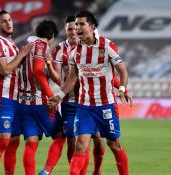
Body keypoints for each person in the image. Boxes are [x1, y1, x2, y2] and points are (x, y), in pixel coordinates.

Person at [48, 11, 132, 175]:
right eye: (76, 25)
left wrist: (122, 89)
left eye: (81, 24)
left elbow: (123, 71)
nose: (77, 28)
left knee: (114, 145)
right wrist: (58, 97)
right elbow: (72, 78)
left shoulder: (107, 47)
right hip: (85, 106)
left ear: (92, 27)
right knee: (80, 146)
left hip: (106, 105)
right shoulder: (75, 52)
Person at [39, 15, 110, 175]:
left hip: (92, 101)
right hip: (70, 102)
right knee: (73, 140)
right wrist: (51, 66)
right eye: (69, 29)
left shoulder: (93, 47)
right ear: (66, 31)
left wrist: (120, 87)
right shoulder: (59, 50)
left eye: (75, 28)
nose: (73, 32)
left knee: (98, 140)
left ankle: (97, 171)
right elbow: (57, 78)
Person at [16, 19, 65, 175]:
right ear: (51, 35)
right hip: (40, 101)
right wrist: (51, 96)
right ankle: (46, 172)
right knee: (60, 136)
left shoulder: (26, 45)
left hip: (24, 102)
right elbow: (37, 70)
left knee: (31, 143)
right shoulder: (40, 45)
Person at [0, 10, 32, 175]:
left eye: (10, 20)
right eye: (4, 21)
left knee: (13, 142)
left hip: (17, 99)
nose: (9, 23)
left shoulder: (12, 44)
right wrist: (21, 55)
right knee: (3, 141)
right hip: (3, 97)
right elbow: (5, 70)